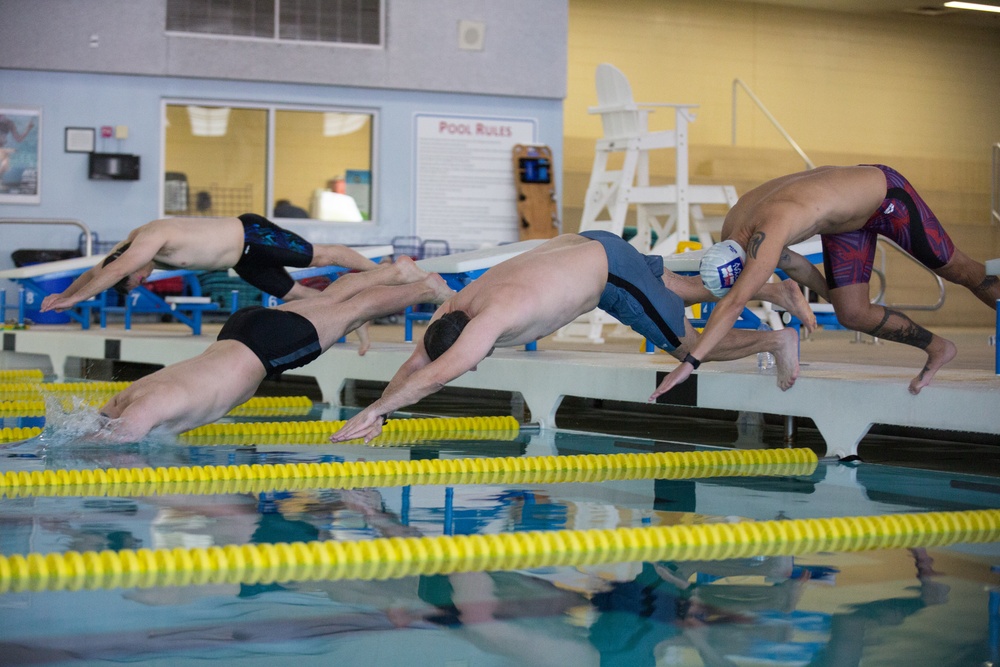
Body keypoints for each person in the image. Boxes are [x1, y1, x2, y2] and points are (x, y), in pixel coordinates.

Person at [330, 230, 817, 444]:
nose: (473, 362)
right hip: (589, 246)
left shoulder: (487, 323)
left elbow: (434, 376)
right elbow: (418, 363)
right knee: (678, 294)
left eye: (470, 357)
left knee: (690, 345)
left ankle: (777, 341)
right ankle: (776, 288)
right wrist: (381, 410)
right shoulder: (453, 309)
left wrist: (377, 410)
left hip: (607, 273)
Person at [663, 164, 1000, 397]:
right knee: (851, 313)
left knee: (962, 272)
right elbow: (791, 263)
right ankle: (939, 348)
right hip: (847, 222)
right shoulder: (735, 229)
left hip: (885, 196)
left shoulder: (770, 228)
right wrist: (834, 295)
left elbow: (735, 301)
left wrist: (691, 362)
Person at [95, 257, 454, 442]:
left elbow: (117, 451)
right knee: (334, 299)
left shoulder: (138, 405)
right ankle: (396, 271)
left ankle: (426, 290)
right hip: (240, 329)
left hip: (265, 350)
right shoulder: (132, 396)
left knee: (353, 310)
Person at [40, 213, 382, 312]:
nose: (146, 277)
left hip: (252, 236)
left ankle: (383, 273)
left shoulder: (145, 241)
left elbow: (114, 270)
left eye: (138, 278)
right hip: (242, 261)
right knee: (294, 295)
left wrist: (73, 300)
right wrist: (63, 293)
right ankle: (350, 311)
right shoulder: (123, 252)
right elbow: (93, 272)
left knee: (323, 254)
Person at [0, 114, 36, 181]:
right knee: (6, 160)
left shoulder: (10, 123)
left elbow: (19, 139)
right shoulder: (9, 123)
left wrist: (28, 129)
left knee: (6, 162)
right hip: (4, 149)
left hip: (3, 149)